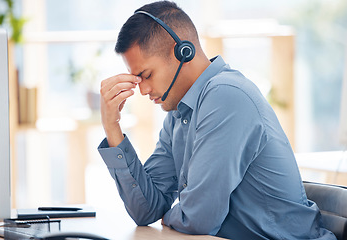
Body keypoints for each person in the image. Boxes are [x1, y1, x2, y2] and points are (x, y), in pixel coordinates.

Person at [98, 1, 336, 239]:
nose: (143, 90)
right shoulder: (179, 113)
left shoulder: (226, 95)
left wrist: (170, 216)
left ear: (183, 52)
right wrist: (112, 127)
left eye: (147, 75)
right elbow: (146, 209)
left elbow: (198, 219)